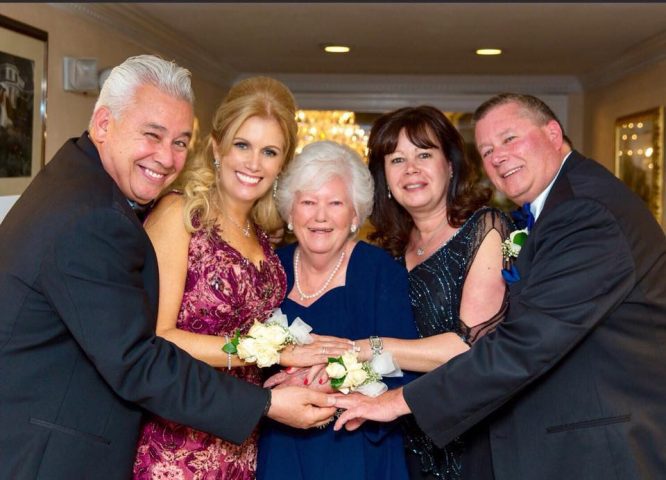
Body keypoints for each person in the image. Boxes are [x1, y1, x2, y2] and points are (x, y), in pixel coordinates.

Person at [0, 54, 336, 480]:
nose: (166, 157)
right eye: (152, 135)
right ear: (103, 124)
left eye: (179, 141)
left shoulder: (80, 184)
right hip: (64, 449)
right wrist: (266, 404)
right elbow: (139, 357)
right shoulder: (95, 214)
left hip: (212, 429)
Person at [335, 93, 666, 479]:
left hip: (601, 443)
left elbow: (525, 343)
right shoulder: (555, 206)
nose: (498, 157)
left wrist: (398, 401)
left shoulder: (584, 211)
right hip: (528, 434)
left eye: (510, 139)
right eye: (488, 149)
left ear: (553, 133)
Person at [132, 76, 351, 479]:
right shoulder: (179, 215)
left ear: (282, 163)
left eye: (269, 152)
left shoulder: (265, 236)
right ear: (216, 146)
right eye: (242, 145)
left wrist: (301, 371)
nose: (254, 164)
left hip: (242, 437)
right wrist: (271, 353)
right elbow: (158, 338)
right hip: (178, 438)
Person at [361, 105, 511, 479]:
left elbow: (470, 345)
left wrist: (369, 346)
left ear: (451, 165)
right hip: (404, 435)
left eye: (424, 154)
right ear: (384, 179)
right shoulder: (387, 250)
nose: (410, 169)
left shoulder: (487, 228)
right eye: (397, 159)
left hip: (474, 434)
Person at [256, 140, 420, 480]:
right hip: (281, 447)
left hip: (356, 449)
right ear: (290, 212)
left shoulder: (380, 272)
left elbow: (404, 370)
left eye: (335, 203)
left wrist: (336, 376)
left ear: (355, 215)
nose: (320, 216)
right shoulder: (271, 267)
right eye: (308, 202)